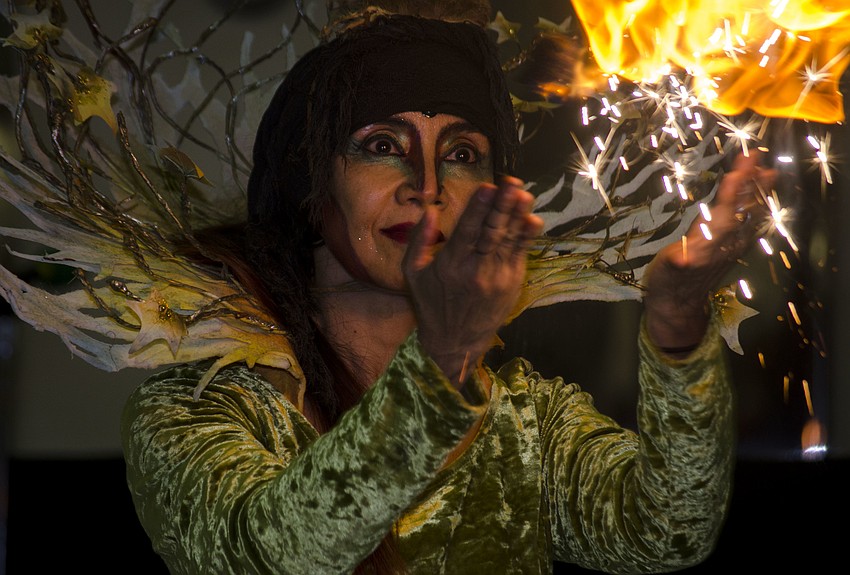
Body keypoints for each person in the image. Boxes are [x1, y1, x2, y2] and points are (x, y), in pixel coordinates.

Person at [120, 3, 775, 574]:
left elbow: (666, 531)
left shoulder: (522, 416)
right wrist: (440, 360)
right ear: (308, 181)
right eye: (381, 144)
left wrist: (678, 327)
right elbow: (267, 558)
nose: (427, 184)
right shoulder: (199, 408)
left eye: (461, 153)